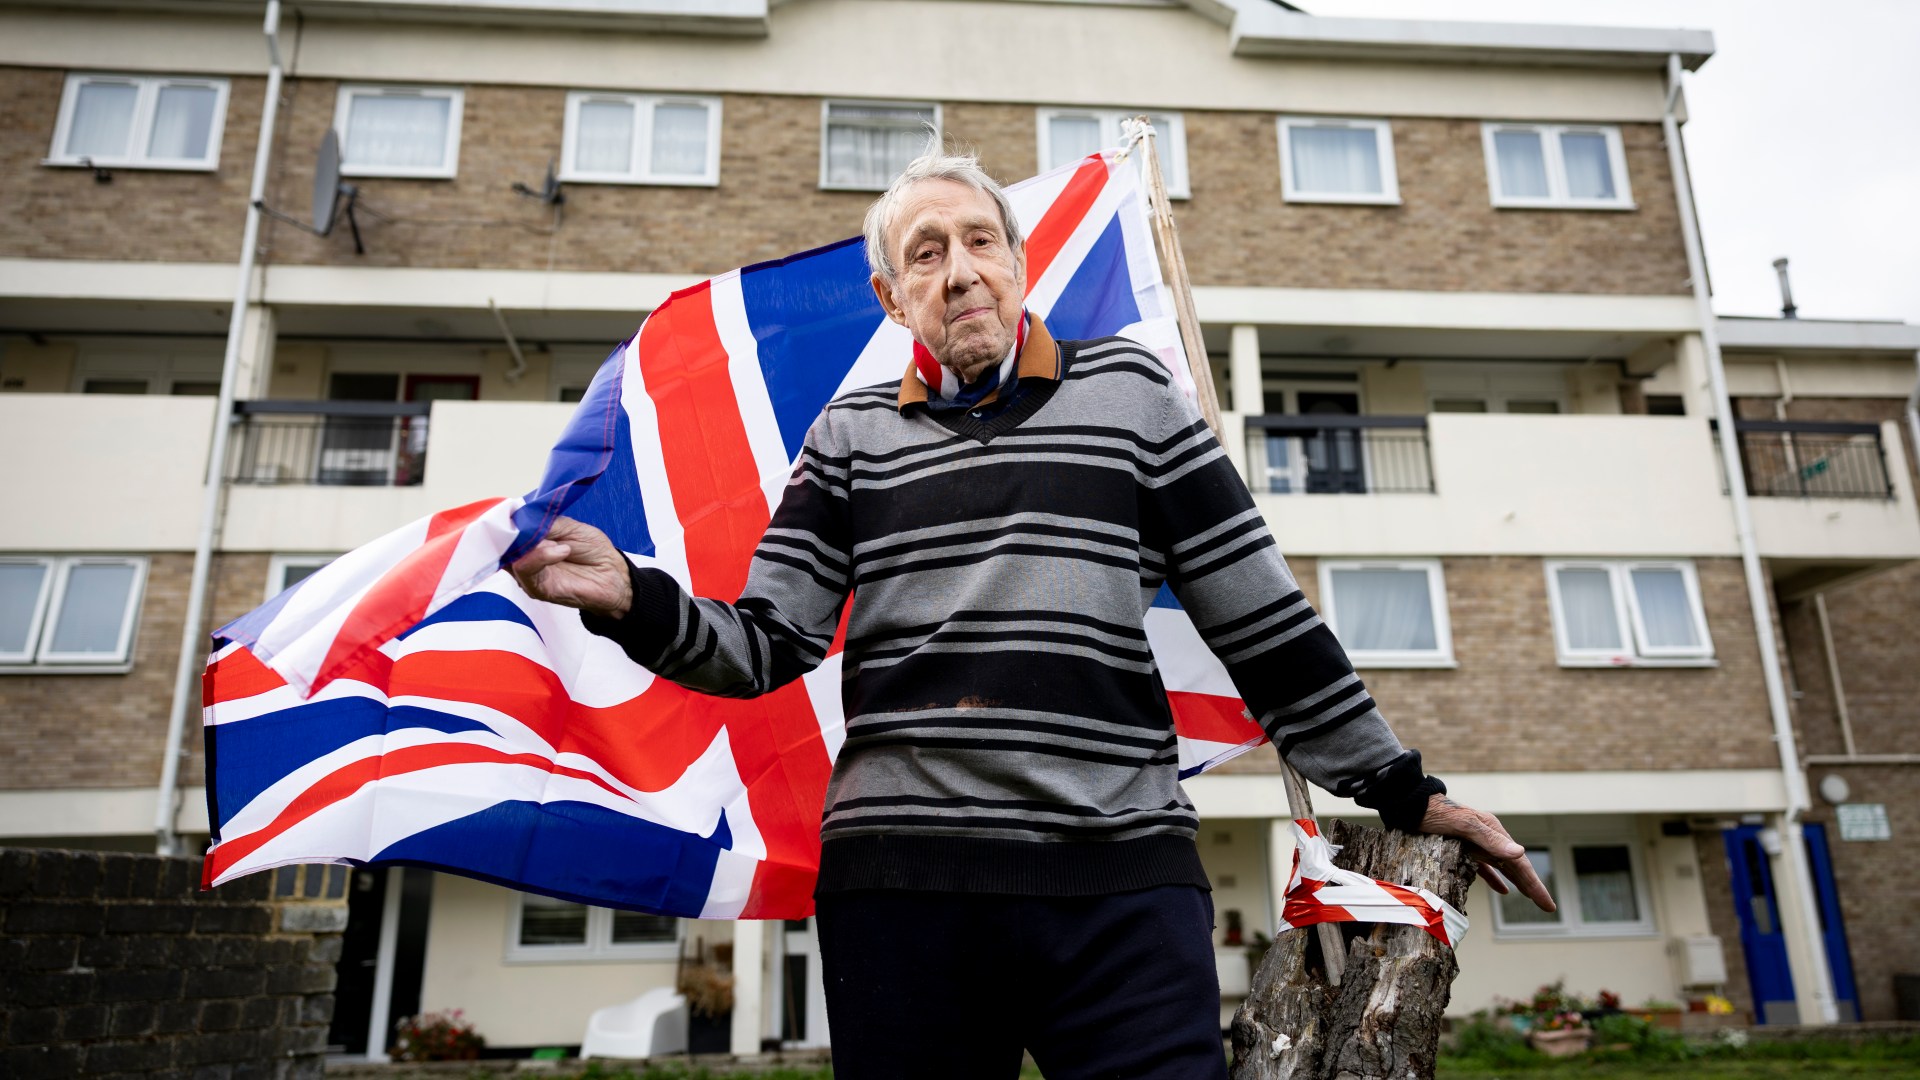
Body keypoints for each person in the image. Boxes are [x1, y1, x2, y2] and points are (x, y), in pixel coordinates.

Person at [511, 149, 1553, 1080]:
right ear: (890, 295)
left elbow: (1261, 620)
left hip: (1120, 883)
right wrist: (632, 601)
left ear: (1019, 262)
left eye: (979, 241)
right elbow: (762, 645)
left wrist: (1407, 791)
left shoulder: (1133, 396)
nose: (959, 270)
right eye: (927, 253)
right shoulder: (848, 437)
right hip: (902, 893)